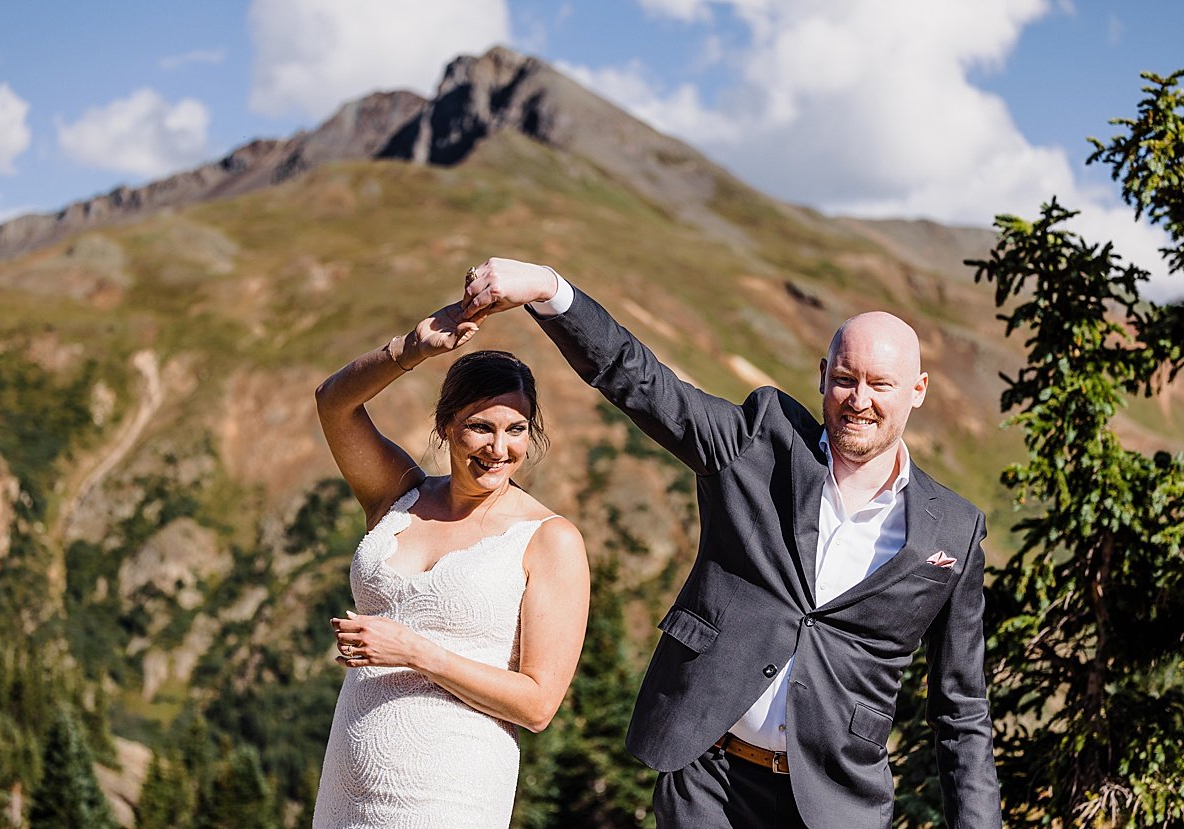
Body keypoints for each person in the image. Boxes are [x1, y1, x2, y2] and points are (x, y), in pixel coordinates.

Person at [463, 258, 999, 829]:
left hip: (837, 800)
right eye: (845, 378)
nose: (858, 399)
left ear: (917, 391)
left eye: (880, 384)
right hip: (708, 778)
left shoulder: (952, 532)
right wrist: (549, 289)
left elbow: (961, 709)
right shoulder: (758, 440)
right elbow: (638, 380)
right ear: (823, 375)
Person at [310, 301, 591, 828]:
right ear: (445, 426)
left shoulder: (549, 540)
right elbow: (333, 402)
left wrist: (414, 651)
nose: (499, 448)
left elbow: (537, 705)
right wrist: (411, 348)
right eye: (480, 427)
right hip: (345, 790)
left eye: (517, 429)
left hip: (452, 793)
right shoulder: (397, 495)